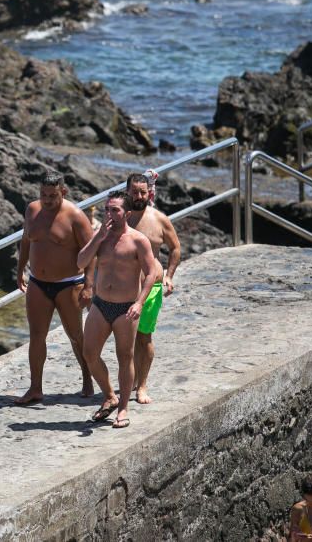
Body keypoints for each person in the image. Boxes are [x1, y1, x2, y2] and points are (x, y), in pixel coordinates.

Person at [77, 191, 157, 429]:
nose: (110, 214)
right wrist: (97, 237)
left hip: (126, 307)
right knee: (89, 353)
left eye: (115, 210)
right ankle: (109, 395)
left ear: (126, 213)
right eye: (107, 210)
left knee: (125, 357)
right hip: (101, 304)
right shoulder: (100, 237)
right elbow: (80, 262)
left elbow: (151, 272)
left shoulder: (137, 240)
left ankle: (123, 408)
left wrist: (139, 302)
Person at [14, 172, 95, 404]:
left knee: (76, 335)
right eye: (43, 195)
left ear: (63, 192)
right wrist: (20, 270)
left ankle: (88, 378)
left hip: (68, 284)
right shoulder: (32, 210)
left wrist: (89, 285)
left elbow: (91, 254)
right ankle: (35, 388)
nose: (47, 200)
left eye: (52, 195)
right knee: (37, 335)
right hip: (38, 283)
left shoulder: (76, 216)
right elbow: (27, 240)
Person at [125, 171, 181, 405]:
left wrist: (168, 276)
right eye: (134, 192)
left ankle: (142, 385)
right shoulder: (121, 217)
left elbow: (175, 248)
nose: (139, 196)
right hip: (122, 289)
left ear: (149, 192)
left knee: (144, 337)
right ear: (127, 191)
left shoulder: (159, 219)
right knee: (125, 340)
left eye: (143, 192)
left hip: (150, 288)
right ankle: (128, 381)